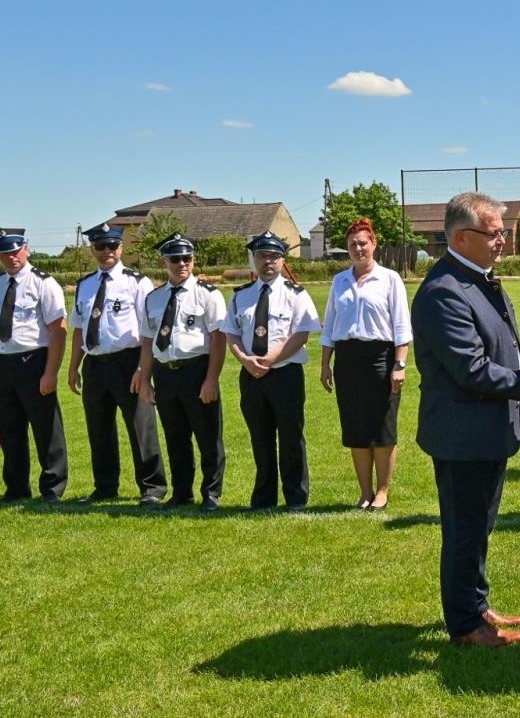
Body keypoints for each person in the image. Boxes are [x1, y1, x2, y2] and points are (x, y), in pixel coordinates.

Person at [412, 191, 520, 649]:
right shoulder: (444, 292)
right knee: (465, 530)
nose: (502, 240)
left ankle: (475, 606)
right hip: (463, 436)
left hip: (488, 431)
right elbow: (472, 370)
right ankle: (465, 626)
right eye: (494, 233)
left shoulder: (479, 279)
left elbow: (507, 347)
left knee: (479, 526)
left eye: (503, 232)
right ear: (462, 237)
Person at [318, 218, 412, 512]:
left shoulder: (389, 279)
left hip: (380, 359)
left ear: (374, 245)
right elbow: (330, 325)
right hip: (348, 361)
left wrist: (399, 364)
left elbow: (401, 326)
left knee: (382, 429)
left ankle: (382, 491)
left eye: (363, 243)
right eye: (353, 244)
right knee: (356, 429)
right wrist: (325, 364)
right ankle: (365, 492)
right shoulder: (339, 281)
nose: (358, 248)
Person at [68, 224, 166, 505]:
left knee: (141, 427)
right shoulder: (85, 285)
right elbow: (78, 329)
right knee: (99, 429)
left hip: (128, 361)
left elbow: (148, 331)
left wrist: (141, 370)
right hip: (95, 364)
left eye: (113, 246)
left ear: (122, 248)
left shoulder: (137, 282)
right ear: (92, 249)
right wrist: (74, 366)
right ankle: (105, 486)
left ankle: (152, 488)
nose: (107, 252)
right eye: (101, 246)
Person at [222, 231, 320, 510]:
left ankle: (296, 497)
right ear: (254, 259)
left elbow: (302, 333)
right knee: (260, 437)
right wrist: (245, 360)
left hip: (285, 374)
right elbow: (232, 334)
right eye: (263, 256)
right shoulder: (241, 296)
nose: (268, 261)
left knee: (291, 436)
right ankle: (264, 497)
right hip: (251, 375)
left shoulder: (295, 294)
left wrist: (270, 359)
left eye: (274, 256)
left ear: (282, 260)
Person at [137, 233, 227, 511]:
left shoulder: (207, 294)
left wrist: (211, 379)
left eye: (186, 258)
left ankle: (211, 493)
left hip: (196, 370)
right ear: (164, 261)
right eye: (175, 259)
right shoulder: (154, 298)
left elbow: (218, 339)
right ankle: (182, 492)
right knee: (175, 437)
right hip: (166, 373)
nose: (182, 264)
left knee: (208, 436)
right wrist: (145, 379)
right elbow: (148, 340)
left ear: (193, 260)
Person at [0, 228, 69, 502]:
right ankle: (16, 487)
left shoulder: (43, 283)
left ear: (26, 249)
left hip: (33, 360)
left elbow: (58, 330)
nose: (10, 257)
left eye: (15, 250)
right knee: (10, 428)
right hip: (4, 362)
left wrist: (50, 373)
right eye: (3, 252)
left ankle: (53, 487)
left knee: (46, 428)